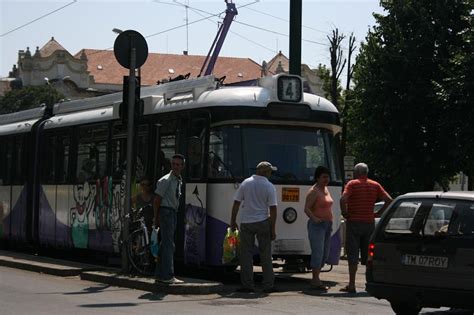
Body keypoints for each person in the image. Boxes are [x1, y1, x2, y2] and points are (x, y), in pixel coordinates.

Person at [339, 162, 392, 293]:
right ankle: (370, 282)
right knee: (369, 255)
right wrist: (378, 213)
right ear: (367, 172)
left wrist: (345, 213)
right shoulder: (375, 185)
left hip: (354, 223)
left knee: (352, 254)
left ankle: (351, 284)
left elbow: (343, 199)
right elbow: (389, 200)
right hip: (369, 223)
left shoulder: (352, 184)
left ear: (356, 173)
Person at [230, 161, 278, 293]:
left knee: (246, 255)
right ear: (266, 172)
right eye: (270, 172)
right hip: (263, 222)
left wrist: (232, 221)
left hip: (247, 223)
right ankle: (268, 285)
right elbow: (273, 209)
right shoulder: (269, 186)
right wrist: (273, 229)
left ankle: (247, 285)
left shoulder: (246, 183)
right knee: (265, 255)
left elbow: (236, 203)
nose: (270, 174)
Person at [153, 154, 185, 284]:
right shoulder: (165, 180)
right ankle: (167, 275)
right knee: (168, 244)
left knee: (165, 244)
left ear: (182, 166)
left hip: (172, 212)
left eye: (178, 165)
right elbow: (157, 200)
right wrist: (156, 218)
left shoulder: (178, 180)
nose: (176, 167)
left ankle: (160, 274)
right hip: (166, 212)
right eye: (173, 164)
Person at [304, 166, 333, 291]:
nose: (326, 179)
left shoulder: (326, 189)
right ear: (317, 178)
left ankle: (317, 278)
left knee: (325, 254)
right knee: (318, 252)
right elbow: (306, 208)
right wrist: (314, 218)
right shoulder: (314, 191)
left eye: (328, 176)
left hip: (327, 225)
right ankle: (315, 280)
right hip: (317, 225)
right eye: (324, 177)